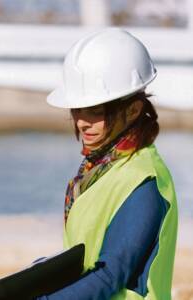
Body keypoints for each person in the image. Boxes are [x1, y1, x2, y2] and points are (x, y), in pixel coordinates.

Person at [36, 28, 178, 299]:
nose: (82, 122)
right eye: (77, 109)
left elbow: (112, 273)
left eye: (96, 111)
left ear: (134, 110)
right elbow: (87, 257)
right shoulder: (100, 169)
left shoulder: (142, 180)